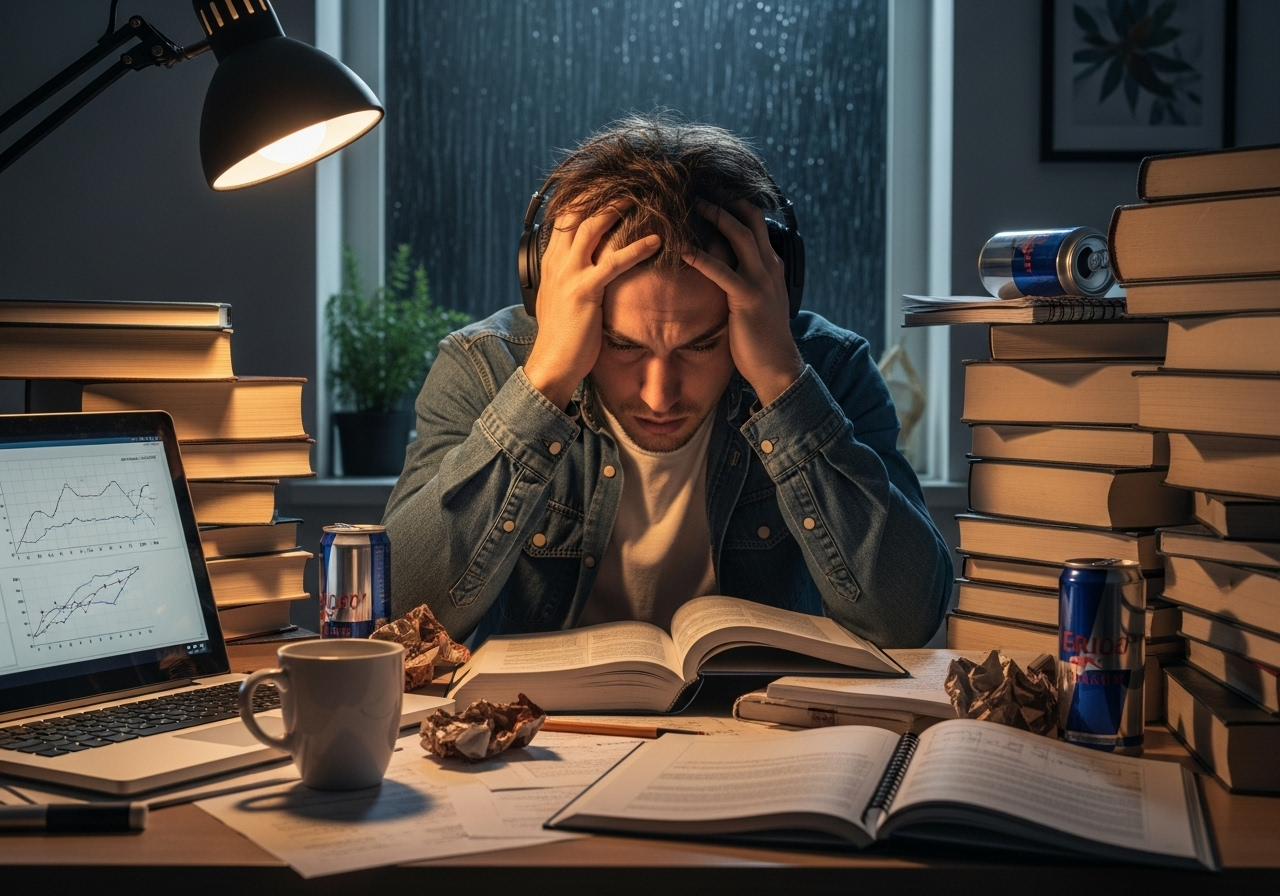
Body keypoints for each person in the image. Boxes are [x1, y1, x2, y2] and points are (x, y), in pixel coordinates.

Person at [384, 114, 952, 648]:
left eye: (702, 344)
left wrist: (782, 382)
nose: (660, 395)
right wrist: (544, 383)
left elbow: (905, 620)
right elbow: (398, 612)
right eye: (623, 345)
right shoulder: (481, 368)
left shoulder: (829, 371)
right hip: (544, 738)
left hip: (758, 733)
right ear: (549, 293)